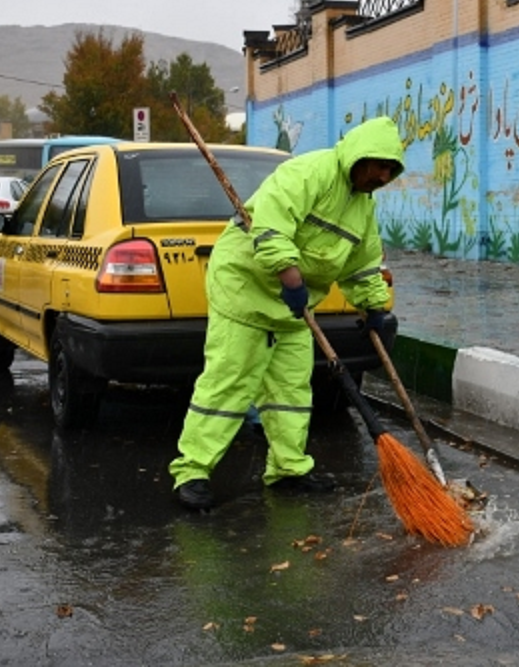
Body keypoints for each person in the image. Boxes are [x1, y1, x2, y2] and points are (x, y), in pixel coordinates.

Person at [169, 116, 405, 510]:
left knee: (291, 389)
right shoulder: (308, 174)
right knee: (229, 382)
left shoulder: (362, 207)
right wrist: (291, 279)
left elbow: (362, 265)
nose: (383, 177)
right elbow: (272, 227)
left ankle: (288, 468)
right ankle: (192, 471)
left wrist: (374, 306)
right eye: (380, 166)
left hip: (293, 305)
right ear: (359, 156)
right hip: (245, 289)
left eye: (391, 170)